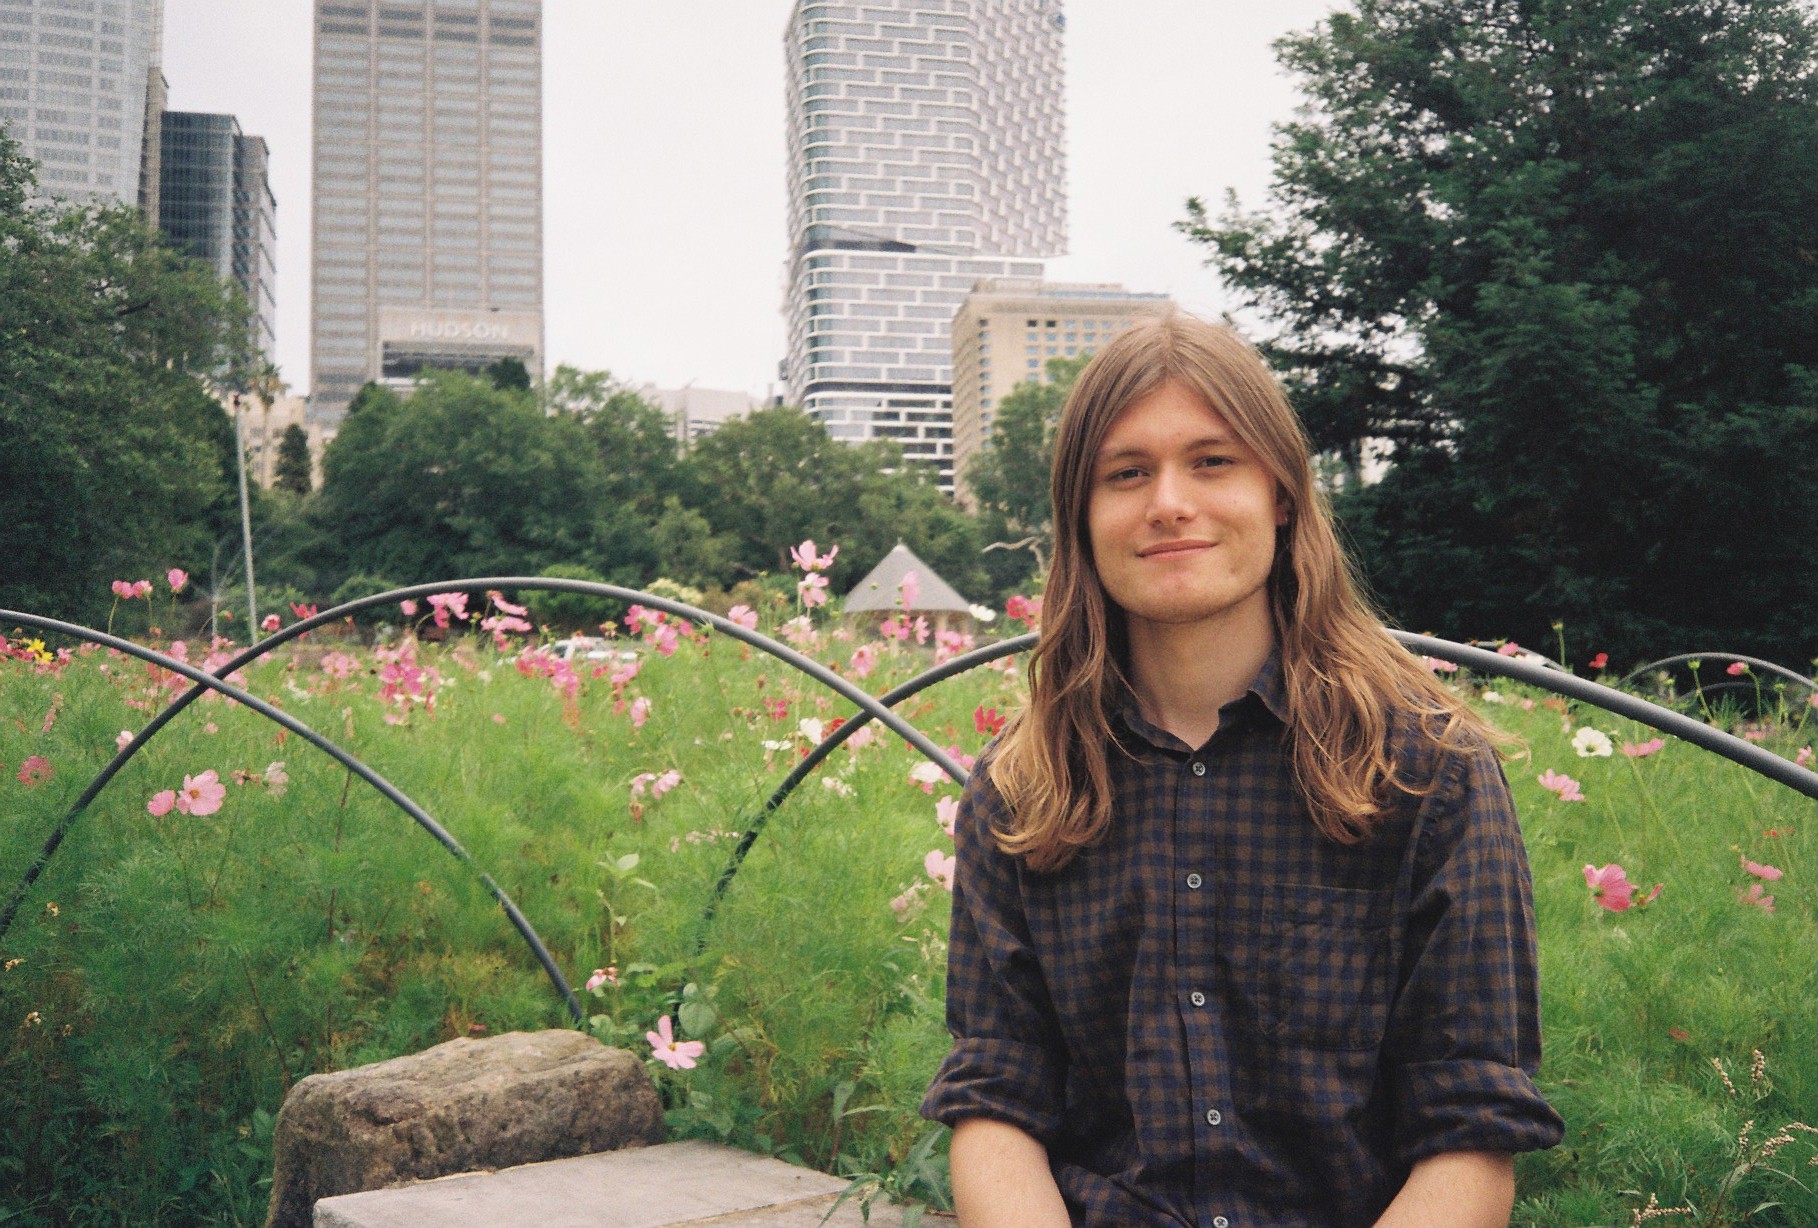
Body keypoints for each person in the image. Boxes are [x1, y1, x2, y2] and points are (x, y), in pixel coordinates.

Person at [921, 311, 1563, 1227]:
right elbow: (997, 1102)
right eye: (1126, 473)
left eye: (1212, 462)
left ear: (1283, 497)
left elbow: (1468, 1134)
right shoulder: (1021, 790)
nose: (1168, 502)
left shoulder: (1428, 771)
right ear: (1083, 518)